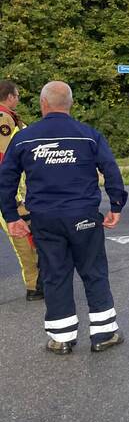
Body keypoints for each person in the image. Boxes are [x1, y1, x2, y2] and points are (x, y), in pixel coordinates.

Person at [0, 82, 127, 355]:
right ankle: (104, 334)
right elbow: (111, 171)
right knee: (93, 272)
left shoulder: (24, 138)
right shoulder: (89, 136)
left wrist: (11, 216)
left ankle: (61, 338)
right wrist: (116, 205)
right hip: (84, 217)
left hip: (45, 219)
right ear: (69, 105)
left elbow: (6, 180)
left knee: (55, 275)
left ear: (43, 104)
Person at [0, 80, 43, 301]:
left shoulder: (10, 117)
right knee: (24, 238)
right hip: (8, 192)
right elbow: (3, 159)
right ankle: (34, 285)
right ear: (9, 96)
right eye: (17, 95)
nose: (18, 98)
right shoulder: (3, 118)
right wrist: (13, 198)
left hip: (11, 190)